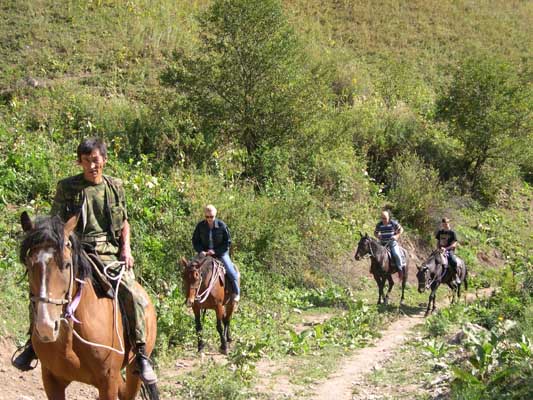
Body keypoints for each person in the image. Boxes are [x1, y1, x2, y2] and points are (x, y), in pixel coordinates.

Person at [12, 138, 157, 384]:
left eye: (96, 160)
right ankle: (33, 344)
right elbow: (56, 224)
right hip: (75, 248)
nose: (92, 165)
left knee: (133, 294)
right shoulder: (67, 187)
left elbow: (124, 223)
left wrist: (127, 249)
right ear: (80, 162)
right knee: (43, 288)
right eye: (87, 160)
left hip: (108, 253)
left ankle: (140, 352)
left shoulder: (115, 187)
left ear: (104, 160)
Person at [192, 204, 240, 302]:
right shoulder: (200, 226)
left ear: (215, 215)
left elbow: (227, 242)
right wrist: (201, 251)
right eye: (207, 217)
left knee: (231, 271)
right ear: (205, 216)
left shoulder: (222, 226)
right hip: (204, 253)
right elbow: (195, 241)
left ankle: (236, 292)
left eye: (211, 217)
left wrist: (215, 251)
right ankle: (190, 294)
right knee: (191, 269)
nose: (209, 219)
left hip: (220, 253)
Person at [374, 210, 405, 277]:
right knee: (375, 254)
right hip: (382, 243)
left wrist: (396, 236)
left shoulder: (393, 223)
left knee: (396, 254)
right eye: (382, 218)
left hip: (392, 243)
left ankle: (400, 270)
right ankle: (374, 269)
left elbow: (401, 229)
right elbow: (375, 232)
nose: (383, 220)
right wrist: (378, 235)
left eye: (385, 218)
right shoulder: (379, 224)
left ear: (388, 217)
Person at [436, 217, 461, 285]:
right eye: (444, 224)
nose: (445, 225)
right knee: (432, 259)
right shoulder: (440, 232)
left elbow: (454, 244)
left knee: (453, 261)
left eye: (446, 223)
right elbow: (438, 242)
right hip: (440, 250)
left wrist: (446, 249)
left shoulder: (452, 233)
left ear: (449, 223)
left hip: (449, 250)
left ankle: (456, 276)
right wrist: (438, 248)